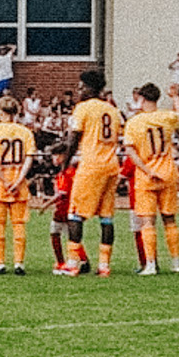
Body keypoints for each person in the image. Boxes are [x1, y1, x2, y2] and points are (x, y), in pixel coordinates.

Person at [61, 69, 125, 278]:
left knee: (74, 214)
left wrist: (65, 164)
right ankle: (104, 265)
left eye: (81, 87)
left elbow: (74, 139)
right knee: (106, 217)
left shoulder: (83, 108)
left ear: (90, 88)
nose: (79, 90)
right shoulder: (112, 110)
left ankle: (72, 263)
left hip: (91, 165)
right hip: (111, 165)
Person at [125, 80, 179, 276]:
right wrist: (175, 96)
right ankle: (176, 263)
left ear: (141, 98)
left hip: (147, 176)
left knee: (147, 221)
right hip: (168, 172)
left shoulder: (135, 122)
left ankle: (151, 264)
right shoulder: (166, 117)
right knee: (170, 219)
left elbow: (130, 150)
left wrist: (145, 169)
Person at [0, 96, 37, 276]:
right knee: (19, 224)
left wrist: (5, 181)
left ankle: (0, 263)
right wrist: (19, 180)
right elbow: (29, 159)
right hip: (19, 180)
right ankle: (19, 263)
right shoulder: (25, 132)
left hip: (0, 182)